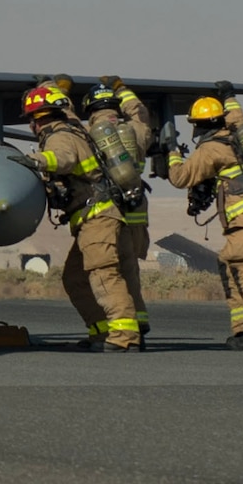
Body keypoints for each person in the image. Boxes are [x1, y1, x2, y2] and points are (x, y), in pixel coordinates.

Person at [16, 82, 140, 351]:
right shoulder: (73, 128)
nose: (30, 127)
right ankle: (100, 331)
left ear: (38, 119)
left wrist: (37, 160)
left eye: (30, 120)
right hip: (95, 219)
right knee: (74, 278)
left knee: (104, 275)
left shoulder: (59, 137)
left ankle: (124, 336)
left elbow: (64, 158)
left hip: (97, 218)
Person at [166, 90, 243, 349]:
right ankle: (242, 328)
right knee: (229, 263)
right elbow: (239, 117)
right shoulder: (237, 134)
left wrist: (171, 153)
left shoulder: (211, 149)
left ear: (200, 125)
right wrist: (229, 97)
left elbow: (181, 177)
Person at [86, 76, 155, 339]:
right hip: (136, 209)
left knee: (107, 272)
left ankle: (119, 327)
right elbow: (140, 112)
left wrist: (58, 92)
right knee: (130, 270)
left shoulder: (91, 133)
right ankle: (140, 320)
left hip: (108, 210)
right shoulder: (136, 130)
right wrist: (122, 89)